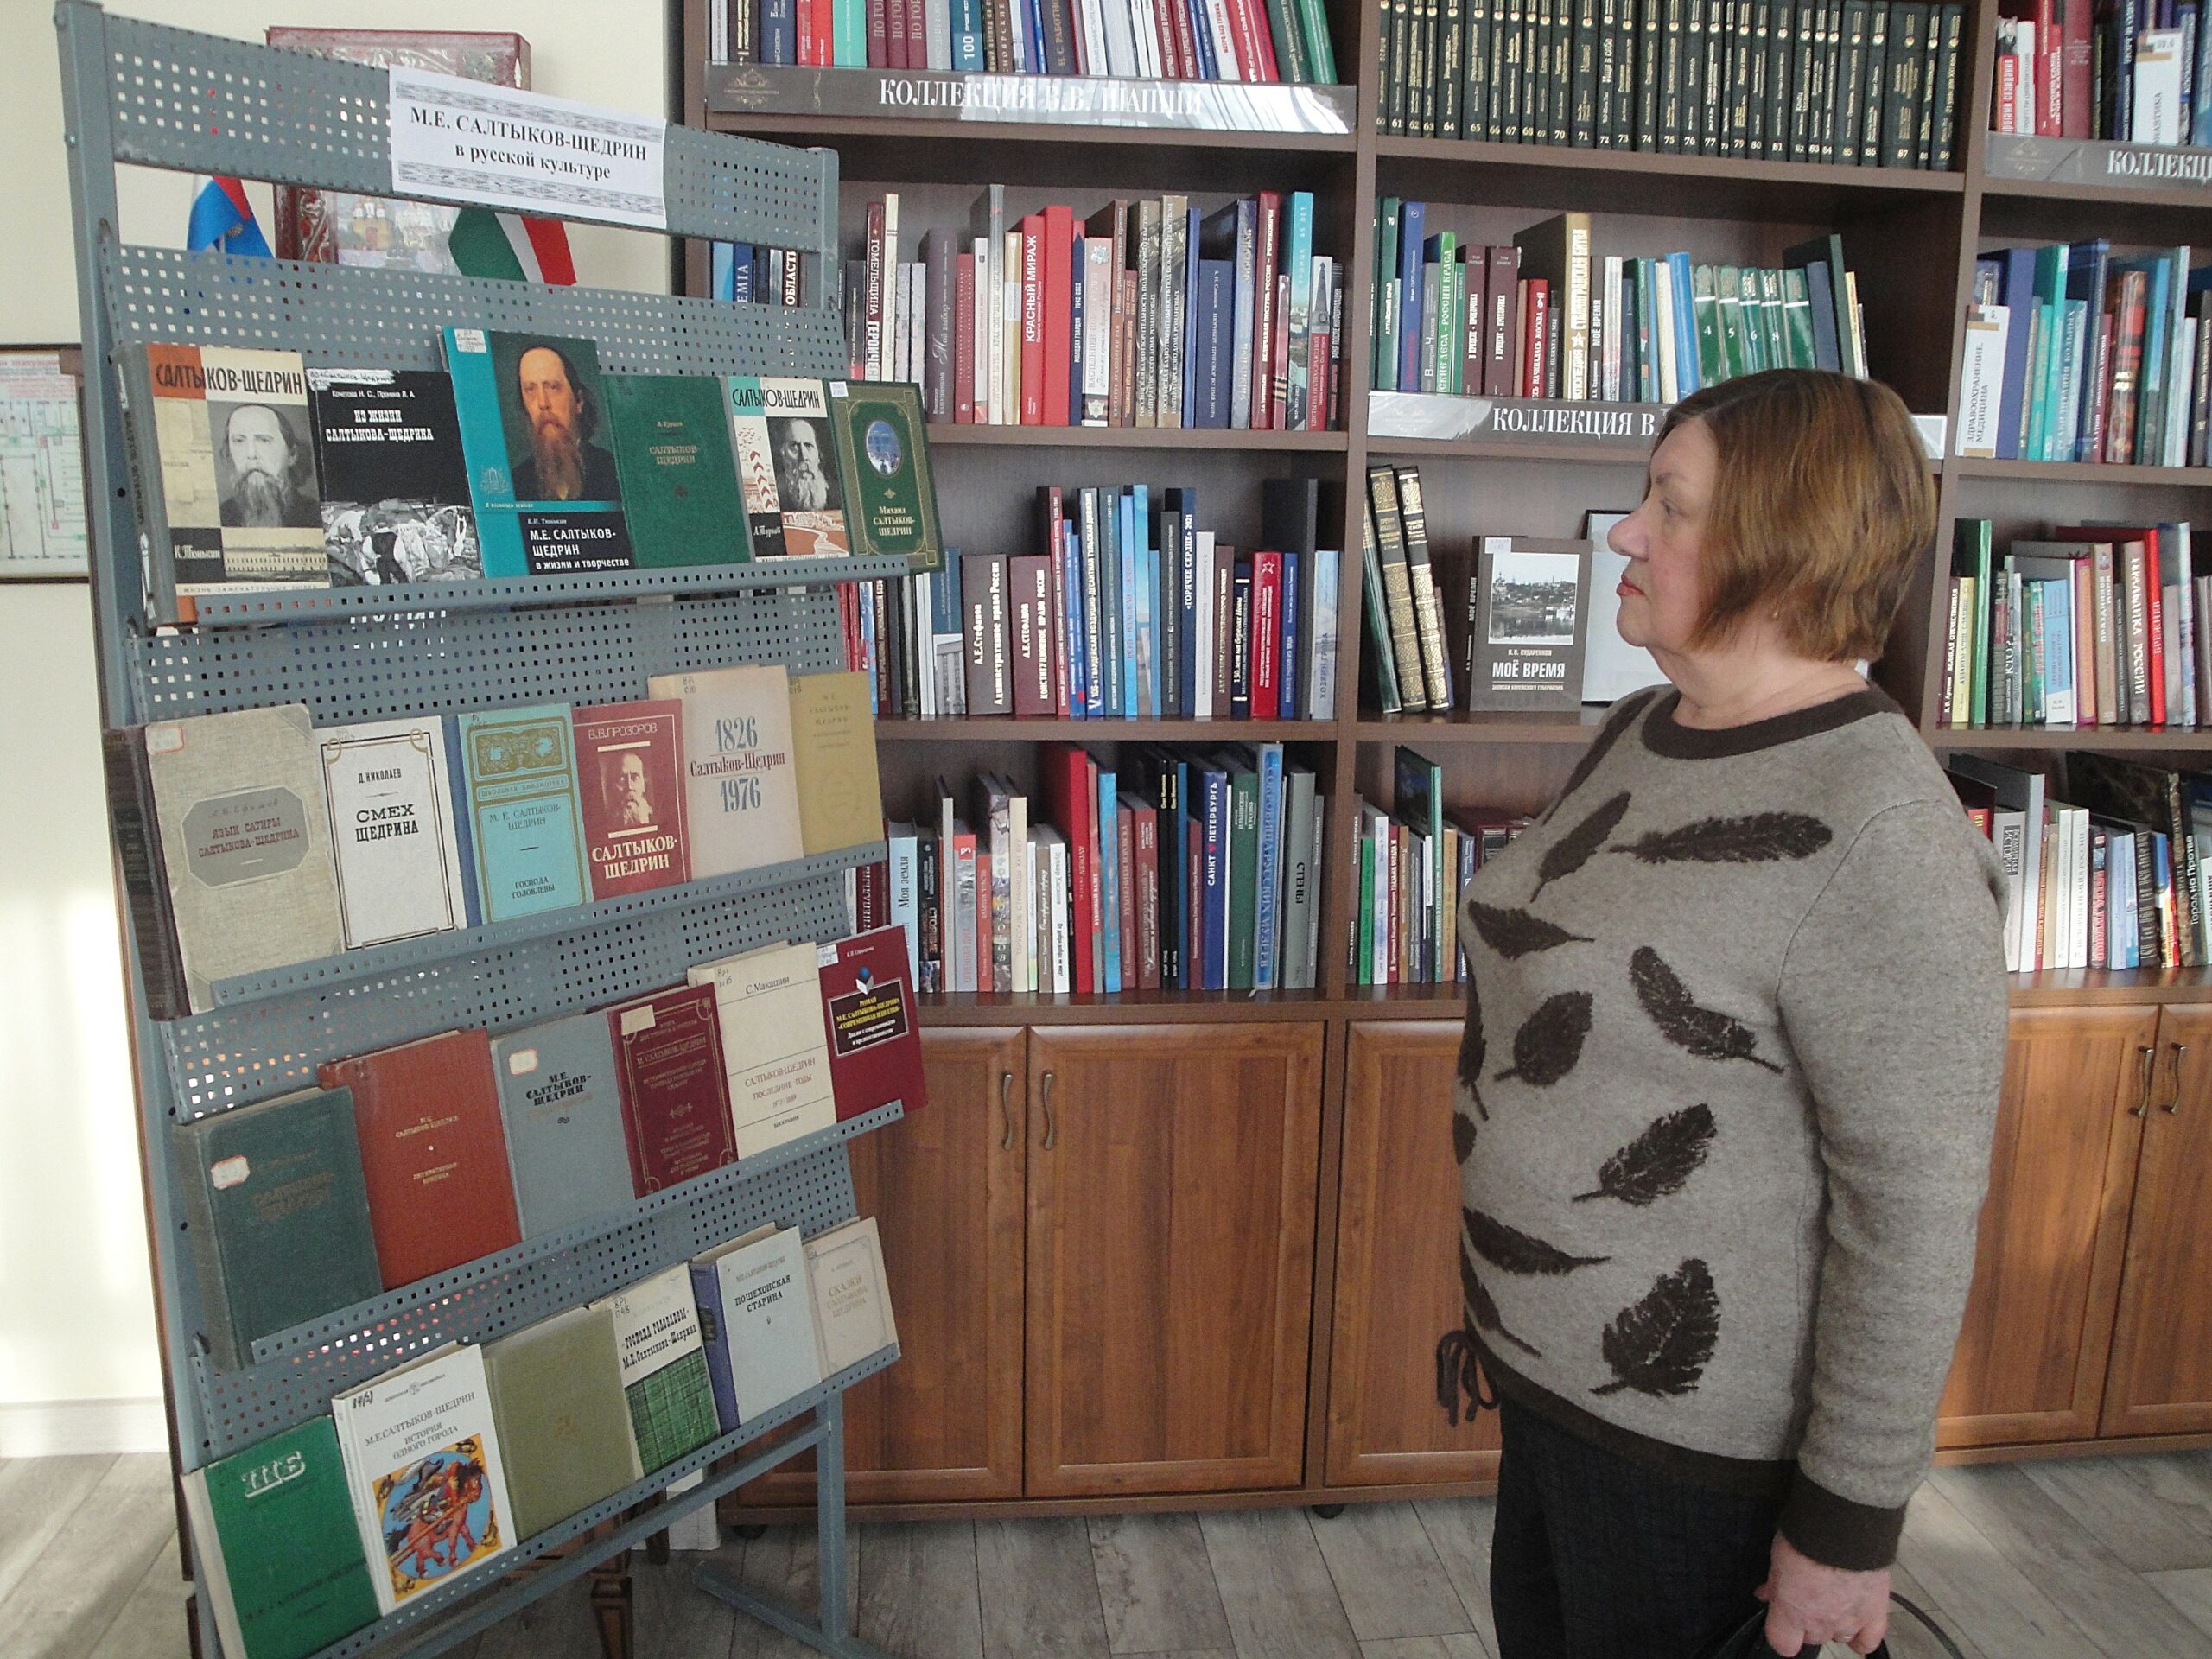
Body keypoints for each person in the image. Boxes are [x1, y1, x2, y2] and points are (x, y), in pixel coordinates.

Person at [1440, 368, 2008, 1659]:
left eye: (1671, 507)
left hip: (1696, 1466)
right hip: (1557, 1387)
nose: (1626, 535)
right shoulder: (1646, 728)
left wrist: (1846, 1529)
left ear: (1782, 549)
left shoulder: (1883, 833)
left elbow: (1912, 1217)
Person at [509, 342, 621, 502]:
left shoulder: (615, 473)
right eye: (530, 389)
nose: (543, 403)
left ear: (579, 401)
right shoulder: (515, 486)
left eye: (553, 387)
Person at [218, 403, 318, 528]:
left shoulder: (316, 517)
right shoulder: (221, 517)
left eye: (264, 440)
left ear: (292, 455)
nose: (251, 454)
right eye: (239, 441)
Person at [772, 416, 834, 511]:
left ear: (818, 455)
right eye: (794, 446)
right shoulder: (773, 497)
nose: (804, 456)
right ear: (783, 454)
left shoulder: (836, 497)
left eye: (808, 446)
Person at [603, 749, 654, 829]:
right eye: (622, 779)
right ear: (612, 786)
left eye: (635, 777)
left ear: (644, 784)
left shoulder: (658, 820)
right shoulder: (605, 825)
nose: (630, 787)